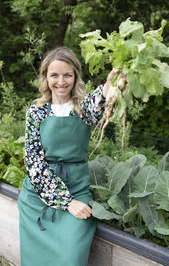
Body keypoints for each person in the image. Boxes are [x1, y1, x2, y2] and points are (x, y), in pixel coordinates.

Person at [18, 47, 121, 266]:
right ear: (46, 77)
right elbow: (34, 164)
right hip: (39, 196)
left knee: (71, 258)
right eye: (54, 75)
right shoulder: (36, 112)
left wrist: (112, 83)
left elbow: (102, 98)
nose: (61, 81)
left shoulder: (83, 108)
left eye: (68, 74)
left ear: (75, 77)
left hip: (77, 188)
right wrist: (65, 201)